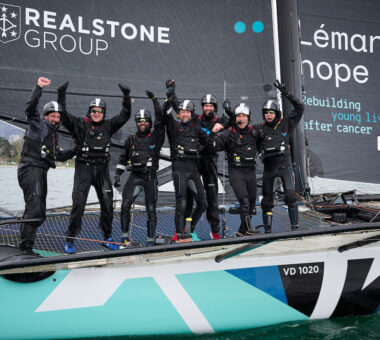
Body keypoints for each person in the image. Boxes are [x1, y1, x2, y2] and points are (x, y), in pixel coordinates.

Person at [57, 82, 131, 254]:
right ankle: (70, 239)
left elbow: (125, 115)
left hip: (102, 170)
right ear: (89, 112)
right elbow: (62, 115)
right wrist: (61, 94)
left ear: (103, 113)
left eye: (99, 111)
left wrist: (126, 97)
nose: (96, 113)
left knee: (107, 204)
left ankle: (107, 238)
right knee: (79, 206)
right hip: (84, 169)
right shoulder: (79, 124)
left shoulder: (109, 125)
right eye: (93, 111)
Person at [18, 77, 75, 253]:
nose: (56, 119)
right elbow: (30, 108)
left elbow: (59, 156)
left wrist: (78, 149)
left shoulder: (53, 135)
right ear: (46, 116)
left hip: (40, 172)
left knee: (40, 214)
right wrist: (38, 87)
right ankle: (25, 249)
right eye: (53, 116)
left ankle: (27, 243)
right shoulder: (38, 124)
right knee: (34, 210)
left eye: (58, 116)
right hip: (30, 169)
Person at [113, 90, 165, 246]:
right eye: (140, 121)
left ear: (149, 122)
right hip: (134, 178)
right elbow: (122, 159)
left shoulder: (155, 136)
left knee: (150, 208)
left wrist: (155, 100)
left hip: (150, 178)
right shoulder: (131, 139)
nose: (143, 123)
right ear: (136, 123)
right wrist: (117, 176)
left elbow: (160, 120)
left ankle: (150, 240)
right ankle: (124, 237)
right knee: (125, 206)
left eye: (145, 121)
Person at [163, 86, 212, 242]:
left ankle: (189, 230)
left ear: (191, 114)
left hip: (193, 170)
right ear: (179, 113)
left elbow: (210, 142)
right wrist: (168, 99)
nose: (185, 114)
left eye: (187, 112)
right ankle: (178, 234)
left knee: (203, 204)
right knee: (181, 202)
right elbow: (166, 114)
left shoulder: (197, 129)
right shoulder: (174, 127)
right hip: (179, 169)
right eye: (182, 111)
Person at [258, 80, 305, 232]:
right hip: (269, 170)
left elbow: (300, 107)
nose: (268, 115)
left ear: (276, 113)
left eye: (271, 112)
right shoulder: (260, 129)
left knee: (291, 196)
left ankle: (295, 228)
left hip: (285, 168)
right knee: (266, 202)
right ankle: (267, 231)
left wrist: (287, 94)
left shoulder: (285, 124)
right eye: (266, 113)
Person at [212, 102, 259, 236]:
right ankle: (249, 230)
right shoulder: (229, 132)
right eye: (239, 115)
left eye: (244, 116)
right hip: (236, 172)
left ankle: (241, 232)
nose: (241, 118)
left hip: (251, 171)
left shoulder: (254, 132)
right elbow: (215, 144)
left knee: (251, 204)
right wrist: (215, 133)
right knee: (244, 202)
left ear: (248, 118)